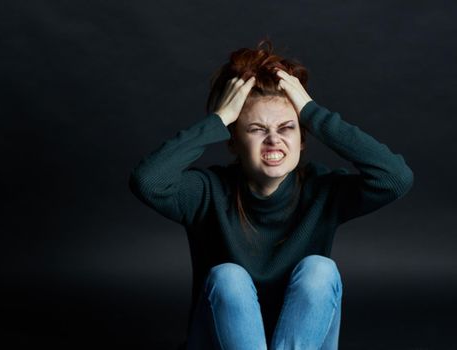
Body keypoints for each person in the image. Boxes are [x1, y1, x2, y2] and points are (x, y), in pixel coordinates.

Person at [128, 39, 414, 350]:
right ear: (233, 141)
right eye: (256, 129)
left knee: (321, 271)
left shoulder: (320, 189)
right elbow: (148, 181)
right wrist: (219, 119)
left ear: (302, 137)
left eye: (287, 127)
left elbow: (394, 178)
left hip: (303, 342)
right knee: (228, 277)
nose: (274, 140)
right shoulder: (208, 191)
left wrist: (311, 111)